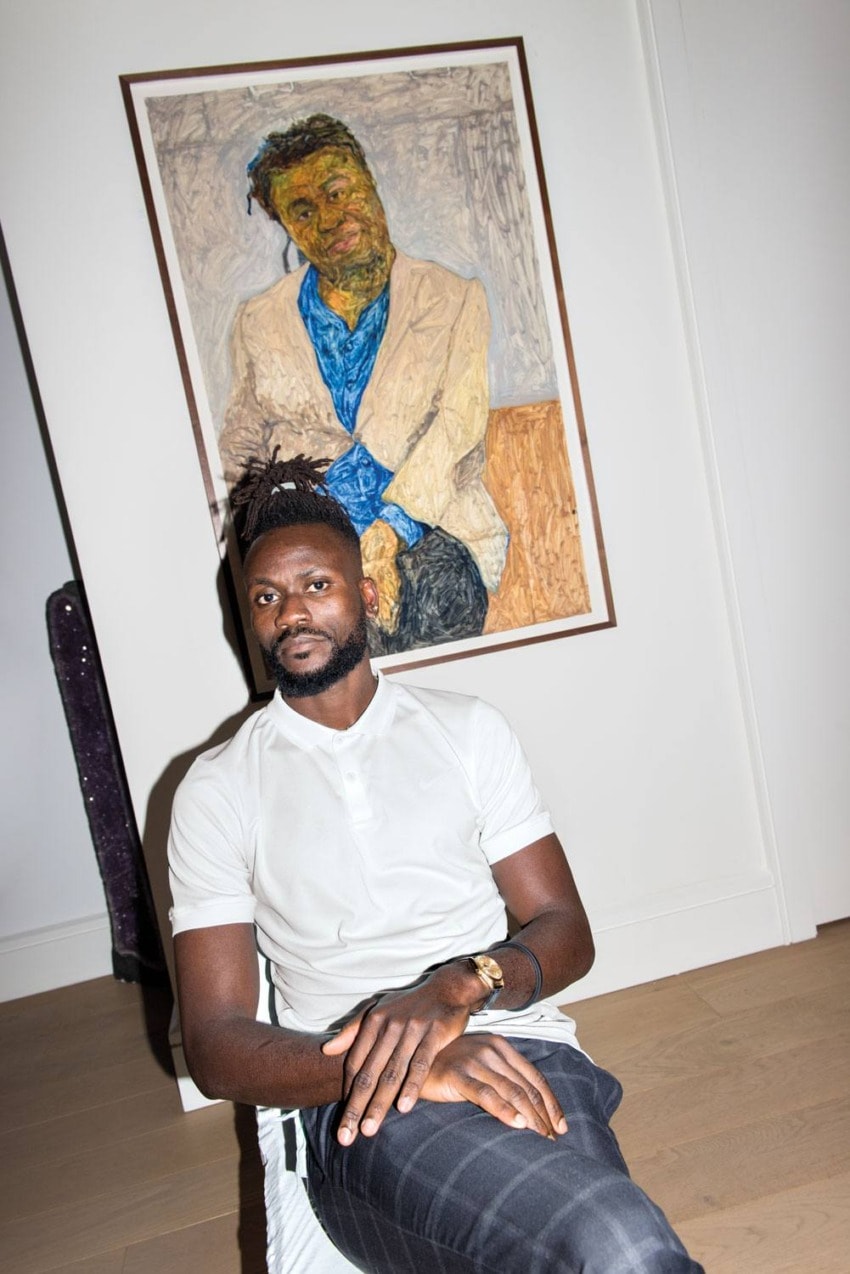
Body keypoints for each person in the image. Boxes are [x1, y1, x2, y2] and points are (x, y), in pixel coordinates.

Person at [168, 453, 703, 1273]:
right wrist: (405, 1054)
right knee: (618, 1241)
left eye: (317, 585)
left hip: (523, 1043)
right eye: (267, 598)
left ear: (368, 595)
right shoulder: (217, 789)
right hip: (362, 1099)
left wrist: (458, 987)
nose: (292, 614)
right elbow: (213, 1042)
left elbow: (565, 930)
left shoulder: (468, 731)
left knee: (608, 1241)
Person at [218, 113, 508, 654]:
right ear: (286, 225)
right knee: (325, 638)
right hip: (314, 546)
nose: (328, 219)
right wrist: (284, 532)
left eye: (337, 191)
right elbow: (241, 444)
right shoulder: (259, 320)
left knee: (440, 598)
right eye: (303, 211)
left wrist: (388, 529)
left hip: (427, 524)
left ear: (369, 183)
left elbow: (458, 427)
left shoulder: (452, 298)